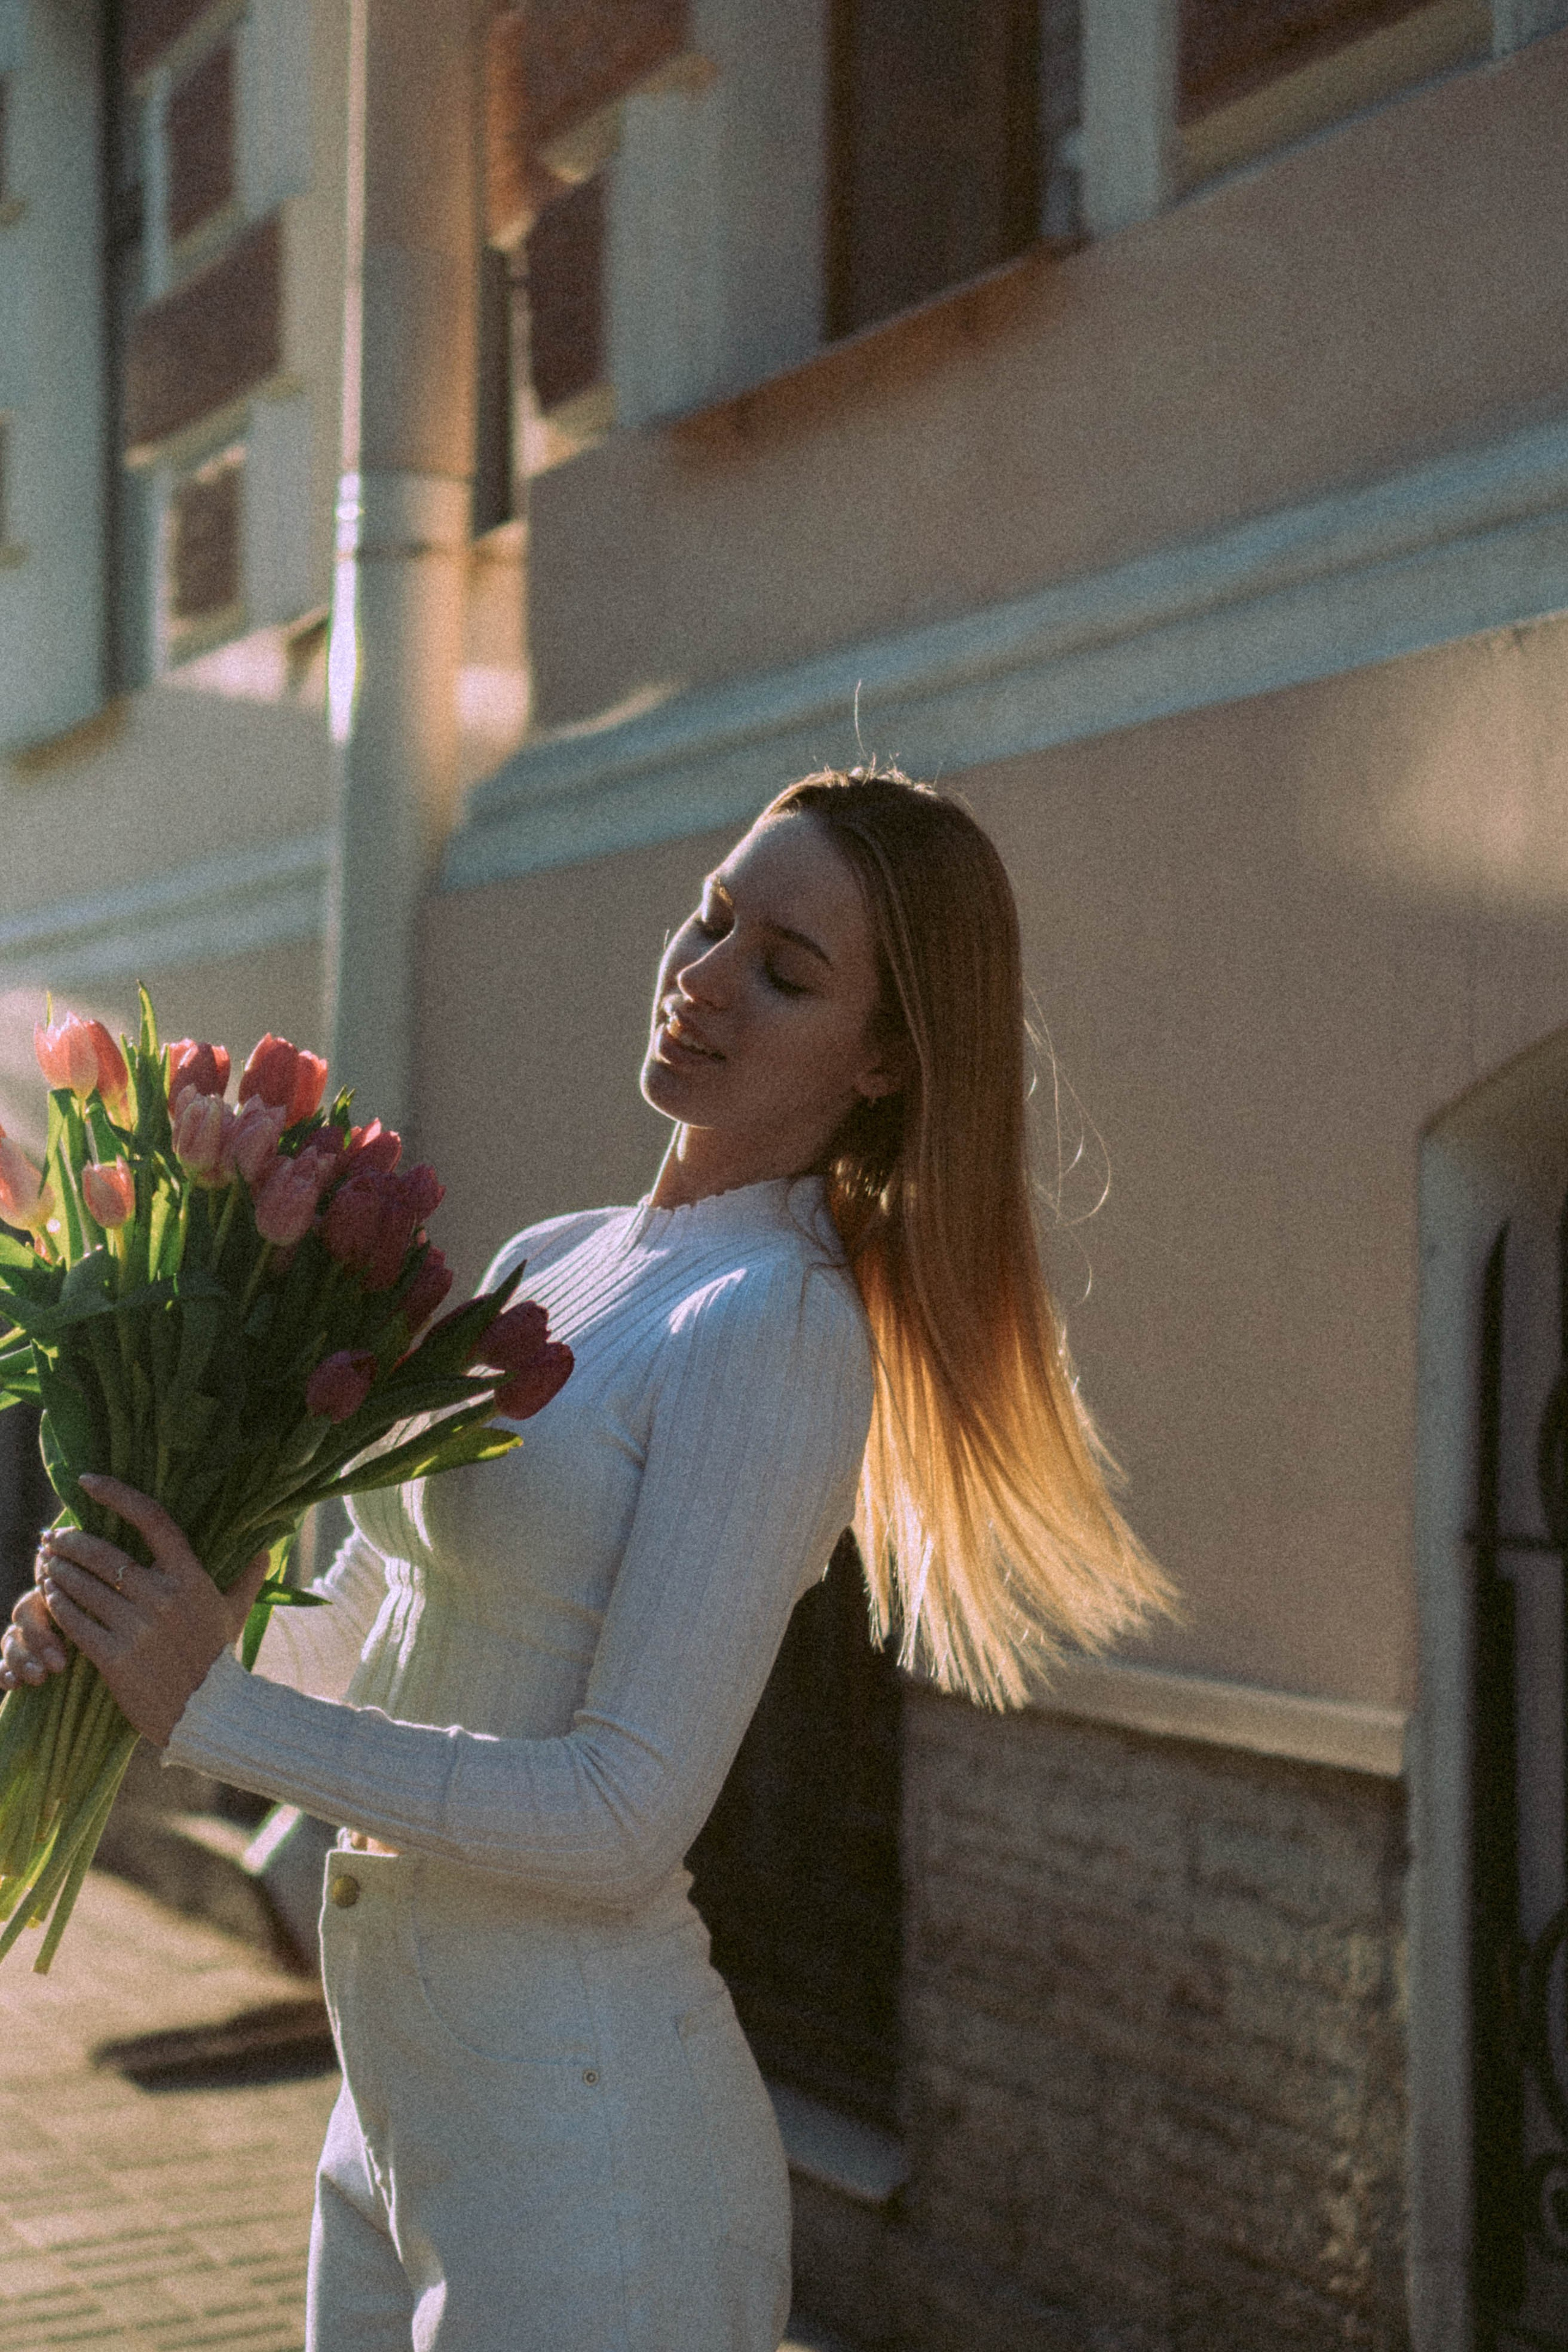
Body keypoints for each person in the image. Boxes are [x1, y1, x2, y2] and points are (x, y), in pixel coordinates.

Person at [1, 769, 1171, 2352]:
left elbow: (624, 1812)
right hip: (391, 2123)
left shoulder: (775, 1326)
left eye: (785, 969)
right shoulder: (552, 1261)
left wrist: (208, 1710)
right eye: (711, 919)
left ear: (886, 1060)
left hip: (590, 2167)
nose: (702, 978)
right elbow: (370, 1621)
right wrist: (139, 1631)